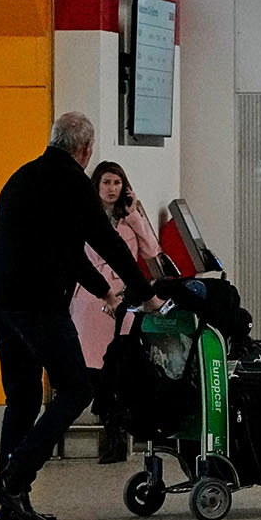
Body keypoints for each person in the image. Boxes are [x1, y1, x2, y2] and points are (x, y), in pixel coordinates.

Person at [0, 113, 162, 520]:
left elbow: (68, 252)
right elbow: (111, 244)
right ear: (84, 151)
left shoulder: (23, 176)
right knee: (77, 387)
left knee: (23, 399)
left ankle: (13, 508)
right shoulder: (73, 184)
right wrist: (147, 295)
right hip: (37, 304)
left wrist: (102, 291)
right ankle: (13, 478)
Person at [70, 160, 160, 466]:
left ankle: (117, 433)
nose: (112, 189)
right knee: (92, 368)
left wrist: (134, 214)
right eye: (106, 182)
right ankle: (106, 424)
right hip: (91, 300)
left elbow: (151, 250)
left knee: (119, 366)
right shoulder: (84, 217)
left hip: (124, 300)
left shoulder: (129, 220)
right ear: (96, 186)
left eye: (117, 183)